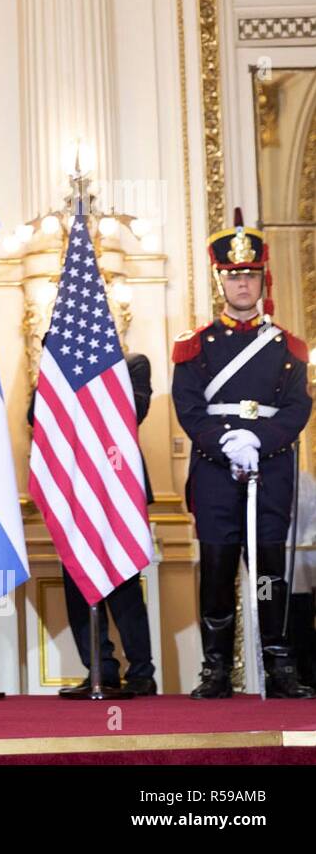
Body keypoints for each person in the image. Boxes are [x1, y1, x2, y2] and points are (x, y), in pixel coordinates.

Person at [171, 213, 315, 698]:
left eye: (250, 275)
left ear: (262, 279)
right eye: (233, 276)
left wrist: (260, 440)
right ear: (220, 281)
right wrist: (225, 441)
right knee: (216, 566)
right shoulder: (194, 346)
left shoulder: (289, 346)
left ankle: (278, 664)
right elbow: (188, 407)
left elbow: (298, 406)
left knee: (269, 571)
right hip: (215, 472)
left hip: (270, 468)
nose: (242, 284)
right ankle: (216, 669)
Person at [30, 353, 158, 695]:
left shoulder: (133, 364)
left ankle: (142, 673)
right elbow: (35, 414)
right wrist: (52, 363)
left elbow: (133, 411)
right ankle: (100, 670)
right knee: (78, 584)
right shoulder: (57, 369)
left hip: (118, 489)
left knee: (125, 586)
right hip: (73, 487)